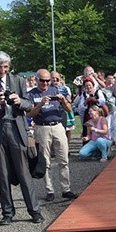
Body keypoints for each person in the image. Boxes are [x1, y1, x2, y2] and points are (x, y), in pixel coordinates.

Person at [0, 51, 43, 224]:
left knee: (23, 173)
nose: (2, 70)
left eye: (5, 66)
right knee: (3, 176)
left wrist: (19, 101)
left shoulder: (19, 81)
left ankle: (34, 211)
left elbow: (29, 105)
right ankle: (7, 213)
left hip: (15, 129)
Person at [27, 68, 77, 202]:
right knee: (45, 161)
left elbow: (69, 110)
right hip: (41, 127)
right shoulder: (32, 94)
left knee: (63, 159)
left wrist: (63, 101)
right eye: (42, 81)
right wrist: (40, 104)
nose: (45, 83)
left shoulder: (56, 90)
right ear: (37, 80)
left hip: (57, 125)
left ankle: (66, 189)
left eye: (48, 81)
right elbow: (29, 114)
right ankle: (49, 190)